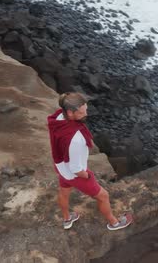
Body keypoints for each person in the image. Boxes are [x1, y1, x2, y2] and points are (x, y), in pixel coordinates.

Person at [47, 92, 133, 231]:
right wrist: (87, 176)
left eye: (85, 109)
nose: (86, 114)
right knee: (103, 196)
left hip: (62, 168)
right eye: (81, 112)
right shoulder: (76, 139)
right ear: (70, 112)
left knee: (64, 192)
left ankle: (67, 219)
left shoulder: (58, 119)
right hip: (75, 174)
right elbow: (76, 168)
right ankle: (114, 223)